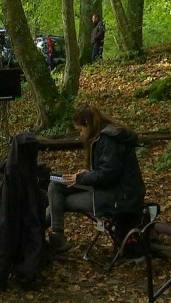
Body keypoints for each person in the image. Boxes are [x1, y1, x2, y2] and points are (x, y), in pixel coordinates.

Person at [47, 104, 145, 253]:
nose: (80, 134)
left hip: (119, 197)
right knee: (56, 184)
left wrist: (81, 178)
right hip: (111, 190)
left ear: (87, 124)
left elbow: (108, 175)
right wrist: (86, 174)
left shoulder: (107, 139)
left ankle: (37, 233)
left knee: (60, 202)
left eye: (80, 130)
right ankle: (54, 235)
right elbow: (108, 170)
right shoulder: (104, 135)